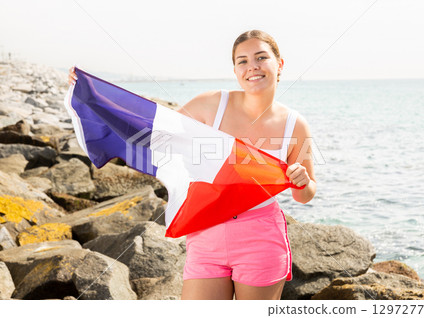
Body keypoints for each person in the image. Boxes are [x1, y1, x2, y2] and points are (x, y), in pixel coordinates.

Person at [68, 30, 316, 300]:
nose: (252, 67)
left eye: (261, 57)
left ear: (279, 64)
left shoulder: (295, 124)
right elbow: (154, 133)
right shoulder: (212, 104)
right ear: (235, 70)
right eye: (242, 61)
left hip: (261, 237)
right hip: (207, 235)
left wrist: (302, 180)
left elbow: (304, 195)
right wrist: (93, 96)